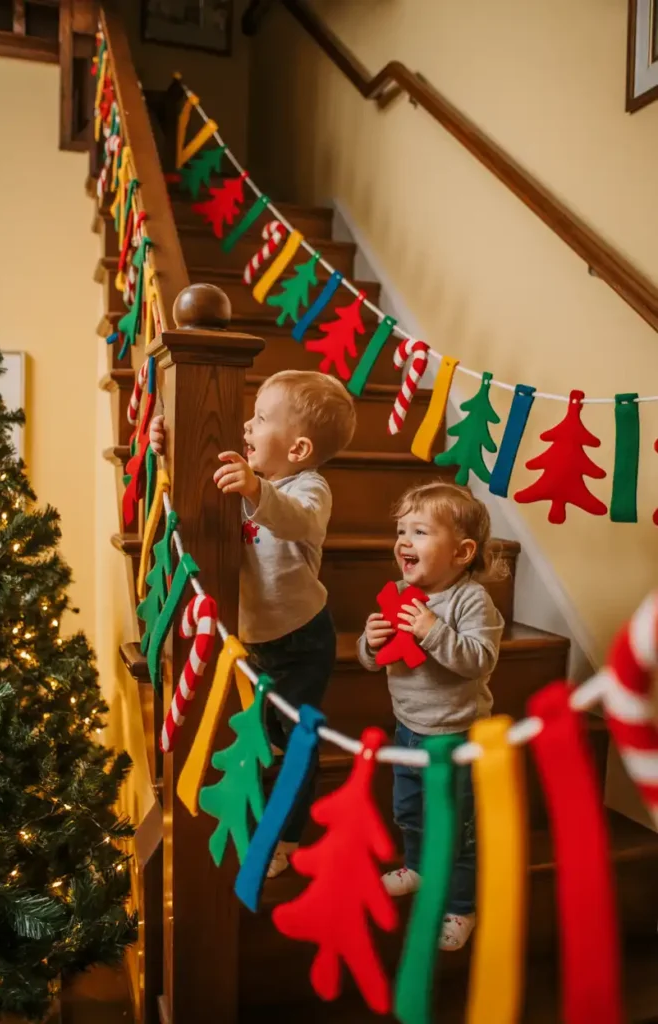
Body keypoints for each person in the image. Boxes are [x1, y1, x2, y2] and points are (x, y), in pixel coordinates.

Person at [150, 369, 356, 878]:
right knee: (255, 738)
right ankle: (255, 811)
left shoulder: (310, 489)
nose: (246, 423)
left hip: (301, 642)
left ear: (300, 447)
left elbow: (294, 519)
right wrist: (165, 442)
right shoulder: (252, 471)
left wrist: (256, 489)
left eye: (261, 417)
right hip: (252, 639)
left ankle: (285, 837)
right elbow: (202, 458)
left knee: (295, 743)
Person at [358, 481, 505, 951]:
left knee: (455, 825)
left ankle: (461, 906)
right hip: (407, 726)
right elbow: (373, 659)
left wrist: (432, 630)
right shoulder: (399, 592)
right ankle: (418, 867)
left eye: (419, 531)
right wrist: (371, 641)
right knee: (408, 810)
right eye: (401, 531)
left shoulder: (470, 601)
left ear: (462, 552)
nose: (404, 541)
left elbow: (479, 659)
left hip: (455, 734)